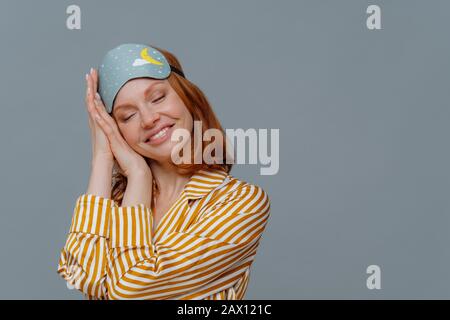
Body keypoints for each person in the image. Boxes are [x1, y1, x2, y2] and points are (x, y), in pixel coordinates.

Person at [56, 43, 271, 300]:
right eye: (127, 116)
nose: (149, 119)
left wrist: (138, 173)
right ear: (116, 131)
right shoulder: (113, 202)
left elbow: (130, 290)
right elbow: (80, 275)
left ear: (187, 98)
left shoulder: (239, 202)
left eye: (157, 98)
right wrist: (103, 158)